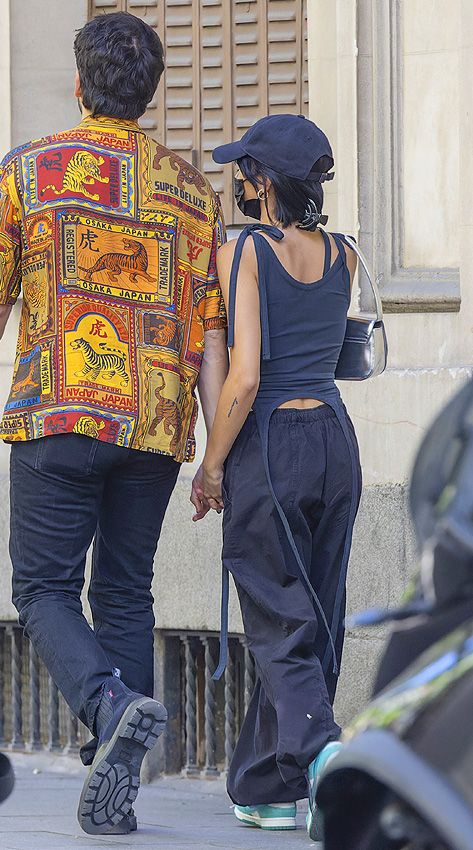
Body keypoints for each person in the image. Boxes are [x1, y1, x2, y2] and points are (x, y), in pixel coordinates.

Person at [0, 12, 228, 836]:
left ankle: (108, 702)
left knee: (43, 587)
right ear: (150, 88)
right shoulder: (194, 193)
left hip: (59, 412)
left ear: (82, 82)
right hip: (155, 426)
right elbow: (209, 341)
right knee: (124, 588)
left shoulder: (30, 170)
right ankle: (115, 772)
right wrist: (216, 456)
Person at [190, 114, 362, 841]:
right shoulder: (346, 253)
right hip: (334, 438)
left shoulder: (245, 251)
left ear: (261, 181)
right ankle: (267, 786)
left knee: (275, 617)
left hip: (270, 442)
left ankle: (324, 753)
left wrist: (211, 464)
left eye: (242, 171)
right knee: (314, 615)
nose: (235, 183)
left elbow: (243, 378)